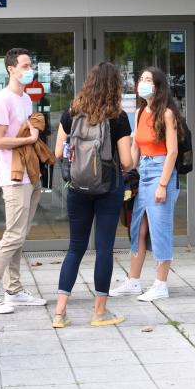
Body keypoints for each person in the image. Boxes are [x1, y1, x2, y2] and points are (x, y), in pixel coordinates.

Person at [51, 63, 134, 328]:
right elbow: (127, 162)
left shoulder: (72, 112)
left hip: (77, 188)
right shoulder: (118, 117)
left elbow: (56, 153)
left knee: (75, 247)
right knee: (104, 249)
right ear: (115, 87)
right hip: (108, 189)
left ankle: (60, 313)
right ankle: (99, 312)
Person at [0, 48, 47, 314]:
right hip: (14, 178)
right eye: (25, 66)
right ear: (11, 69)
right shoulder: (1, 100)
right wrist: (28, 139)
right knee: (12, 236)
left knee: (20, 235)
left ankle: (13, 289)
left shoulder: (26, 99)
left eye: (31, 65)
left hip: (31, 173)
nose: (30, 70)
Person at [109, 67, 183, 302]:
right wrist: (126, 169)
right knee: (137, 227)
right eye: (141, 78)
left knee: (160, 229)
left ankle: (161, 284)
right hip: (145, 172)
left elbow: (172, 152)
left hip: (162, 172)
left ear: (158, 86)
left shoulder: (167, 113)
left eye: (148, 80)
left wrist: (162, 185)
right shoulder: (141, 111)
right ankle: (133, 281)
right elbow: (136, 146)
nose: (142, 83)